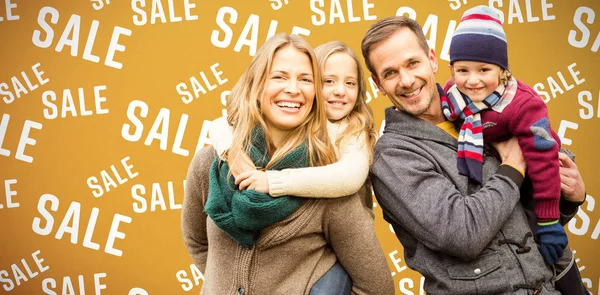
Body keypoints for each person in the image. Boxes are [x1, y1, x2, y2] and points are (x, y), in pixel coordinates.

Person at [361, 16, 587, 294]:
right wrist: (514, 164)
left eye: (412, 63)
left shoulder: (480, 110)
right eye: (390, 73)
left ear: (432, 59)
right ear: (378, 83)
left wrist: (569, 199)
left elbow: (518, 222)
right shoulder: (394, 157)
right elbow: (462, 234)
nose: (406, 80)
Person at [182, 33, 393, 295]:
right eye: (279, 76)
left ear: (314, 93)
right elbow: (197, 242)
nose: (293, 89)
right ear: (256, 86)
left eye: (305, 79)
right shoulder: (210, 164)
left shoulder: (327, 181)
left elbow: (377, 288)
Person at [208, 40, 377, 212]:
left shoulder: (352, 128)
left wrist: (272, 181)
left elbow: (349, 176)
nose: (340, 91)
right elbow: (219, 125)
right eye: (328, 81)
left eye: (350, 83)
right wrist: (232, 150)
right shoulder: (296, 125)